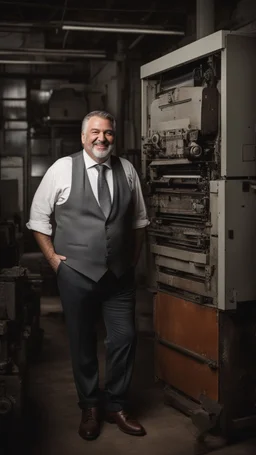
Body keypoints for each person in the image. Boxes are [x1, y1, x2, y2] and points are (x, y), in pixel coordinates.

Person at [27, 110, 149, 440]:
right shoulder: (62, 169)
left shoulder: (127, 171)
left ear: (114, 138)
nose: (102, 138)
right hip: (76, 274)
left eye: (108, 133)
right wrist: (56, 262)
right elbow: (38, 219)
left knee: (124, 339)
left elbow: (139, 221)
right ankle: (90, 407)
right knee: (82, 343)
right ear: (83, 137)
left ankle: (117, 405)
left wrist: (132, 260)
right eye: (95, 132)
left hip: (119, 276)